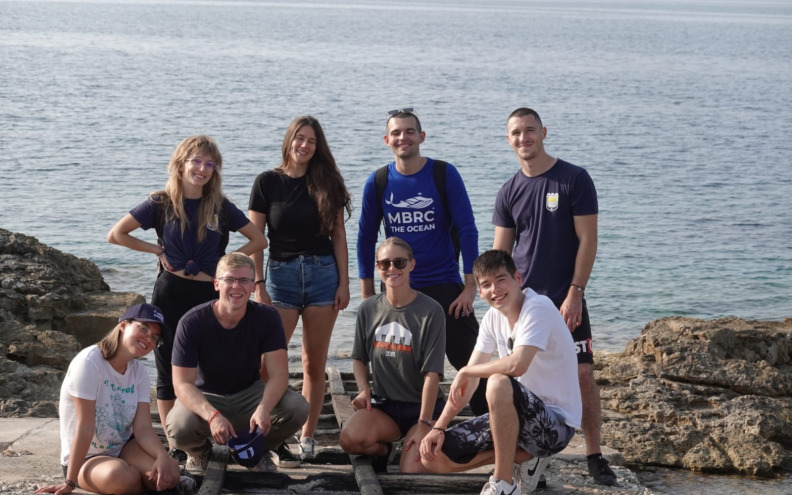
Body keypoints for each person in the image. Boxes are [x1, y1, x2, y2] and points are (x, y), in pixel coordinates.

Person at [491, 107, 617, 486]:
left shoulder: (574, 179)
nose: (523, 138)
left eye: (530, 130)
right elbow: (501, 258)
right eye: (516, 133)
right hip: (525, 305)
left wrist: (576, 292)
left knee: (581, 374)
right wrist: (498, 301)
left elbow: (588, 241)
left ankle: (594, 454)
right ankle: (532, 459)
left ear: (543, 132)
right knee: (524, 382)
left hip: (566, 299)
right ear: (508, 139)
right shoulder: (508, 191)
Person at [107, 135, 267, 433]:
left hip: (209, 293)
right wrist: (157, 250)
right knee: (167, 367)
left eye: (210, 164)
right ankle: (175, 440)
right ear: (180, 164)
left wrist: (225, 263)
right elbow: (116, 234)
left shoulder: (220, 206)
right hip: (170, 292)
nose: (203, 169)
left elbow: (259, 239)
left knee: (207, 365)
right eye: (196, 161)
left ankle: (208, 429)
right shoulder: (161, 202)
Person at [356, 108, 487, 416]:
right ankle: (407, 427)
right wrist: (366, 294)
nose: (404, 137)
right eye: (397, 133)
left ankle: (494, 426)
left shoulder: (444, 174)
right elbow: (364, 239)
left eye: (410, 131)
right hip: (398, 287)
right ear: (387, 140)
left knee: (471, 362)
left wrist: (470, 287)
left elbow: (468, 229)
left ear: (421, 137)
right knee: (398, 364)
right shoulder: (378, 181)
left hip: (445, 287)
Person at [419, 250, 582, 495]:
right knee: (435, 456)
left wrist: (466, 369)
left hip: (555, 427)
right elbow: (470, 381)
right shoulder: (492, 318)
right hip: (518, 422)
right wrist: (438, 427)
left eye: (501, 279)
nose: (495, 289)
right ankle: (524, 458)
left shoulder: (538, 307)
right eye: (486, 285)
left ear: (517, 277)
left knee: (497, 383)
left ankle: (503, 484)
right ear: (480, 292)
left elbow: (518, 365)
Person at [248, 116, 352, 464]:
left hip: (324, 276)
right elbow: (256, 240)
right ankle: (271, 432)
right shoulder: (267, 183)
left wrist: (344, 282)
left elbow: (338, 235)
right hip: (281, 277)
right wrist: (258, 283)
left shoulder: (328, 182)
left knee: (313, 364)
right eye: (300, 138)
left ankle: (307, 437)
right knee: (267, 365)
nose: (305, 145)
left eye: (311, 141)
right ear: (289, 140)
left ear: (317, 146)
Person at [165, 252, 308, 473]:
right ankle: (200, 454)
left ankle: (259, 449)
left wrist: (264, 408)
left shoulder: (267, 317)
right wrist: (212, 416)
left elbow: (279, 374)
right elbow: (182, 384)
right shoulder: (192, 322)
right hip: (207, 394)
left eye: (243, 280)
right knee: (178, 427)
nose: (236, 286)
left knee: (297, 407)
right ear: (216, 284)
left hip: (250, 391)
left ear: (253, 286)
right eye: (229, 279)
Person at [35, 303, 195, 495]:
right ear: (123, 325)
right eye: (143, 328)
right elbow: (85, 427)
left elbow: (143, 427)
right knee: (124, 478)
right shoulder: (89, 362)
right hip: (86, 457)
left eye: (155, 337)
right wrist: (69, 482)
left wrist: (162, 455)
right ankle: (139, 482)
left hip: (124, 448)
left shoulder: (139, 371)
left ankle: (150, 482)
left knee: (170, 473)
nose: (148, 338)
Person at [340, 237, 446, 473]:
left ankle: (416, 441)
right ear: (377, 268)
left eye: (399, 262)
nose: (392, 269)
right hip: (385, 407)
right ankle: (384, 451)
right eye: (384, 264)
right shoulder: (369, 308)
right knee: (351, 439)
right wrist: (363, 389)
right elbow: (358, 358)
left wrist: (424, 423)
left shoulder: (431, 311)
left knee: (411, 472)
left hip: (422, 408)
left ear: (411, 265)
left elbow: (432, 374)